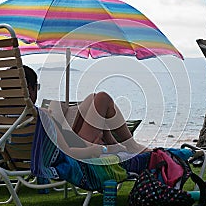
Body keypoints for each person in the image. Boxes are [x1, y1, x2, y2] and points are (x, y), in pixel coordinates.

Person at [22, 65, 150, 159]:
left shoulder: (5, 119)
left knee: (93, 98)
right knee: (102, 98)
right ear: (30, 89)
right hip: (81, 146)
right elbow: (66, 151)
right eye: (36, 87)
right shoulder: (41, 115)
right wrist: (100, 149)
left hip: (72, 139)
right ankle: (130, 145)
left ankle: (115, 143)